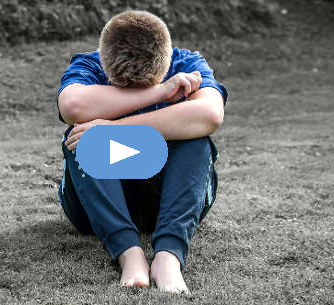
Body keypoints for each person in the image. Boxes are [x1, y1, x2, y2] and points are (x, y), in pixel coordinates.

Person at [56, 10, 227, 294]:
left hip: (167, 195)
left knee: (195, 138)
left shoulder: (187, 62)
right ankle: (129, 252)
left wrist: (111, 128)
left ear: (167, 61)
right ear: (104, 62)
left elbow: (210, 115)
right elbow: (72, 107)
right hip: (95, 205)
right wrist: (160, 92)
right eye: (124, 88)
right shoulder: (89, 64)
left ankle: (168, 255)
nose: (133, 93)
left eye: (144, 86)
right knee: (81, 136)